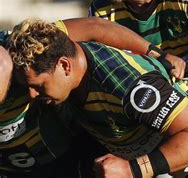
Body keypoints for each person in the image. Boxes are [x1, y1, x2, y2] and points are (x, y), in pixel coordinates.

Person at [6, 19, 188, 178]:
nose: (32, 95)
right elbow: (94, 26)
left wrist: (133, 170)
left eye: (37, 86)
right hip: (155, 156)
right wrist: (153, 52)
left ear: (64, 66)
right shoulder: (54, 45)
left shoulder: (128, 85)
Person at [0, 17, 171, 177]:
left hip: (64, 158)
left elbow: (93, 27)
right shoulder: (26, 54)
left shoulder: (123, 83)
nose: (32, 94)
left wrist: (157, 54)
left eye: (37, 86)